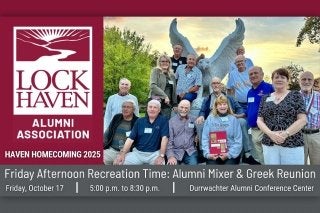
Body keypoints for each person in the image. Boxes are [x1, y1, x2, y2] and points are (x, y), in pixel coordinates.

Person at [195, 77, 259, 164]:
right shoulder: (207, 98)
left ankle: (247, 153)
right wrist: (201, 116)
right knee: (199, 123)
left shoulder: (229, 98)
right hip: (213, 120)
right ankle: (204, 152)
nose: (216, 85)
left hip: (229, 119)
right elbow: (202, 110)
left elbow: (240, 109)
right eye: (214, 83)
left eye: (218, 83)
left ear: (221, 85)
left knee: (242, 122)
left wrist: (235, 116)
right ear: (211, 85)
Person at [257, 68, 307, 165]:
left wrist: (285, 134)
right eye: (276, 77)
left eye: (283, 77)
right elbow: (259, 120)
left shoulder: (296, 95)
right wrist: (271, 134)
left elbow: (302, 120)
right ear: (272, 80)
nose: (279, 79)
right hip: (269, 143)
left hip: (292, 143)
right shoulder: (265, 98)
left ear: (288, 80)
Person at [113, 100, 169, 165]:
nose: (152, 109)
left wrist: (161, 156)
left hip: (154, 153)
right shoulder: (140, 121)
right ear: (147, 109)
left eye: (155, 107)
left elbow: (165, 138)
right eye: (150, 107)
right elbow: (130, 139)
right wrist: (123, 153)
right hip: (138, 153)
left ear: (159, 110)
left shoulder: (163, 120)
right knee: (119, 163)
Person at [202, 95, 242, 165]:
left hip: (230, 154)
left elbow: (238, 141)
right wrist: (208, 154)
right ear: (216, 107)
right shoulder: (210, 119)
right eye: (220, 104)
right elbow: (205, 138)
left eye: (224, 104)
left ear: (228, 106)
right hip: (213, 154)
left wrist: (228, 154)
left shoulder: (233, 120)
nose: (222, 106)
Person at [247, 66, 274, 164]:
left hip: (266, 130)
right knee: (261, 157)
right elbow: (250, 108)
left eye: (256, 73)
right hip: (254, 130)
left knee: (269, 156)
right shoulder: (249, 92)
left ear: (262, 75)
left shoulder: (270, 88)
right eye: (251, 74)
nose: (253, 75)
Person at [103, 100, 138, 165]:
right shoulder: (117, 117)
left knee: (118, 164)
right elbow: (107, 134)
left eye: (128, 107)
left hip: (128, 153)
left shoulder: (137, 121)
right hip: (112, 150)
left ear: (133, 109)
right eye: (124, 107)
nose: (125, 109)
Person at [166, 100, 198, 165]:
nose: (184, 110)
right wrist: (170, 156)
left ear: (189, 109)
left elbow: (200, 130)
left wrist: (197, 135)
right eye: (181, 107)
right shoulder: (171, 121)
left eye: (186, 108)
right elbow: (169, 141)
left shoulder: (194, 119)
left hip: (190, 151)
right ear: (178, 107)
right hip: (175, 151)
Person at [299, 71, 320, 165]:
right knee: (300, 164)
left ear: (313, 81)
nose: (306, 82)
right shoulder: (293, 97)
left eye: (309, 79)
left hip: (316, 136)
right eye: (303, 79)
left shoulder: (319, 96)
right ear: (299, 81)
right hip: (299, 136)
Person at [149, 54, 177, 119]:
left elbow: (174, 91)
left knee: (165, 123)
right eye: (163, 61)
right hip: (155, 101)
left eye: (167, 61)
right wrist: (165, 96)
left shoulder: (172, 75)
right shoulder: (155, 71)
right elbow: (153, 86)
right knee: (153, 121)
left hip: (167, 104)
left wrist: (175, 103)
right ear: (159, 62)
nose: (165, 63)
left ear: (169, 63)